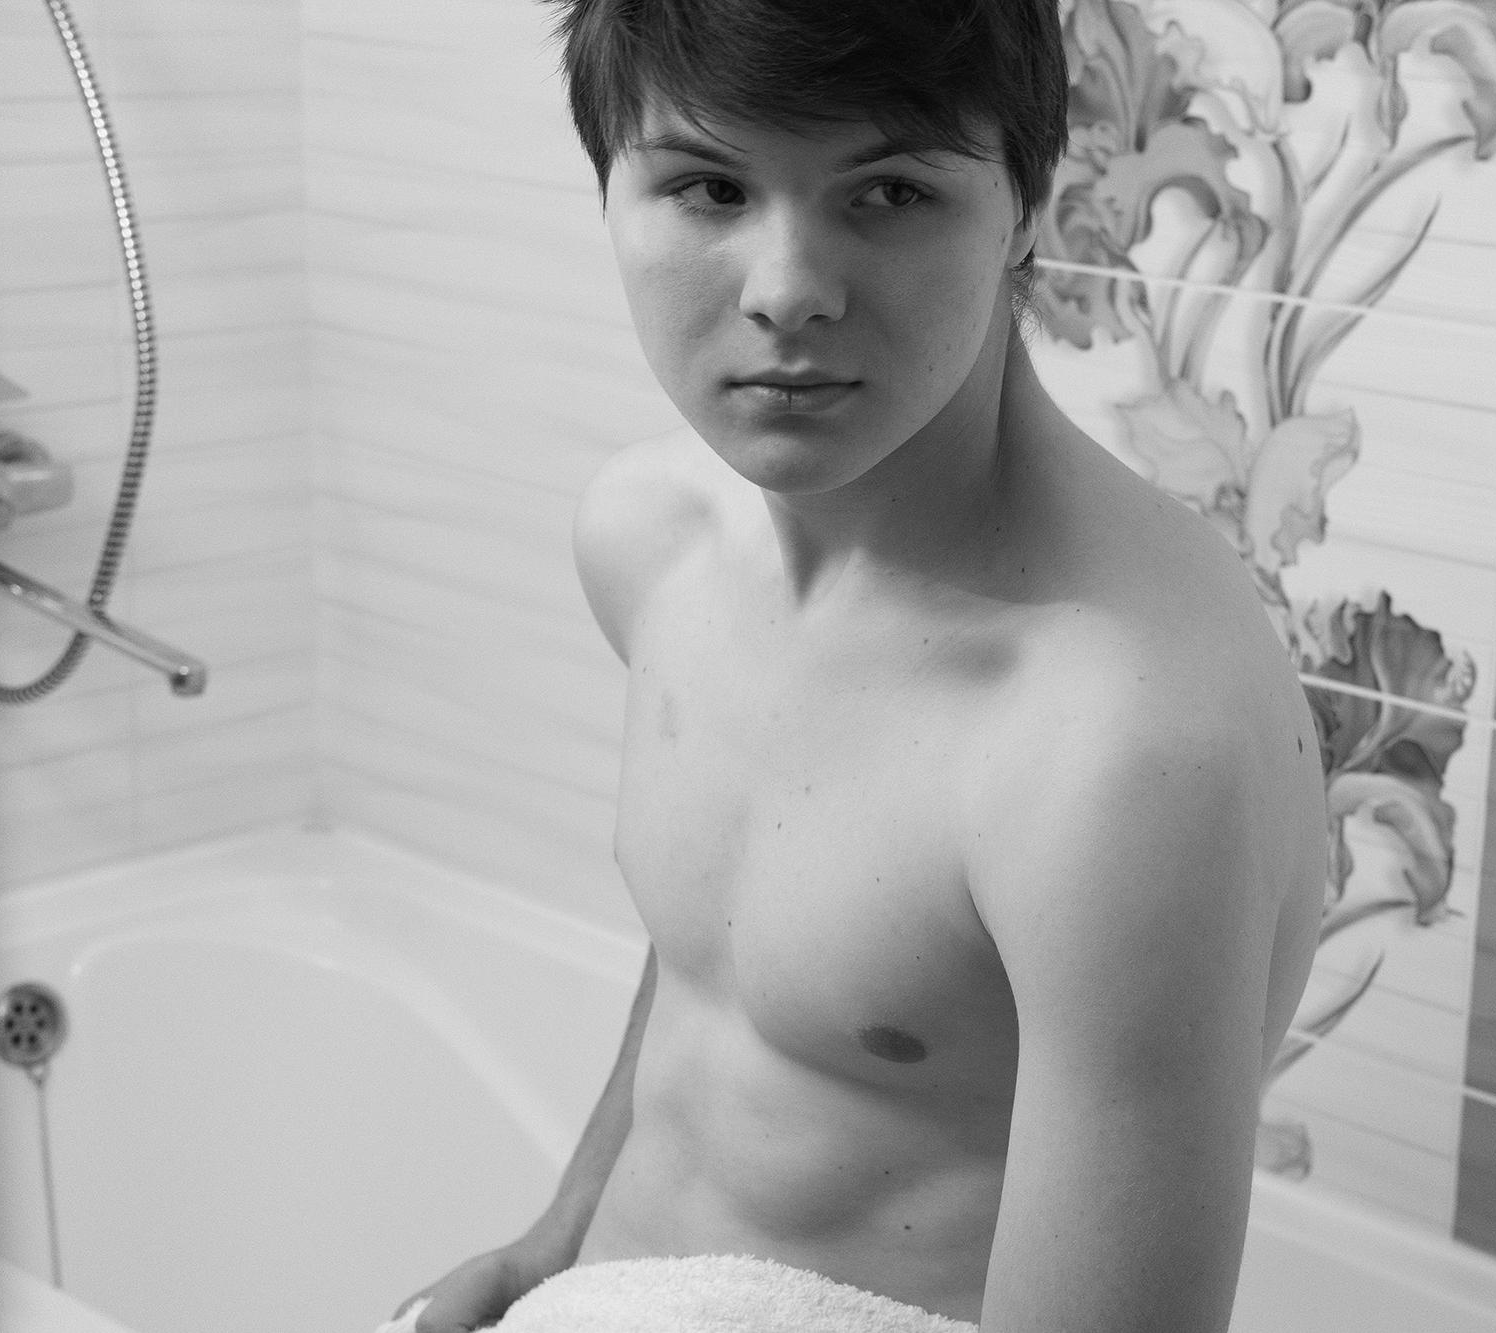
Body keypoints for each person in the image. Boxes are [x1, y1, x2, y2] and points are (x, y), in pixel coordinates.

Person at [393, 0, 1327, 1328]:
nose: (787, 290)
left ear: (1025, 206)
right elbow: (720, 963)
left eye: (888, 192)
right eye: (708, 186)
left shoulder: (1120, 750)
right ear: (609, 191)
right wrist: (549, 1250)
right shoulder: (651, 544)